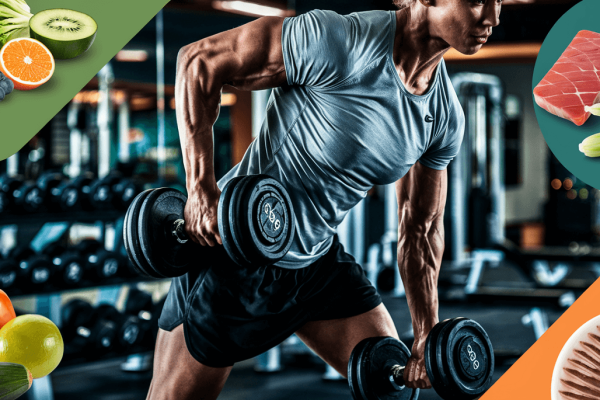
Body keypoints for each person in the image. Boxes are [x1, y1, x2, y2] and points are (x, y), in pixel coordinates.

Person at [148, 0, 501, 398]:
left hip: (317, 262)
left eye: (498, 1)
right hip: (236, 253)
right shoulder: (338, 40)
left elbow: (420, 228)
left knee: (392, 389)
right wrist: (200, 190)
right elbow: (198, 61)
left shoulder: (444, 114)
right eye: (475, 1)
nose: (492, 17)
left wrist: (426, 331)